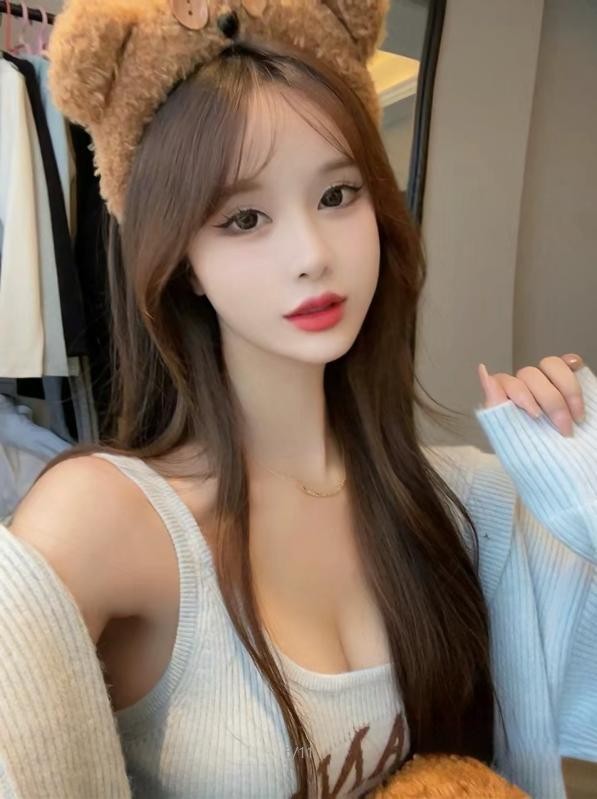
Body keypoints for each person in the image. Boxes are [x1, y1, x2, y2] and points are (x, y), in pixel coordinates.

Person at [1, 2, 595, 798]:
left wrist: (581, 480)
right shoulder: (106, 519)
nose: (312, 254)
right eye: (244, 218)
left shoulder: (463, 503)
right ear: (181, 260)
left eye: (338, 194)